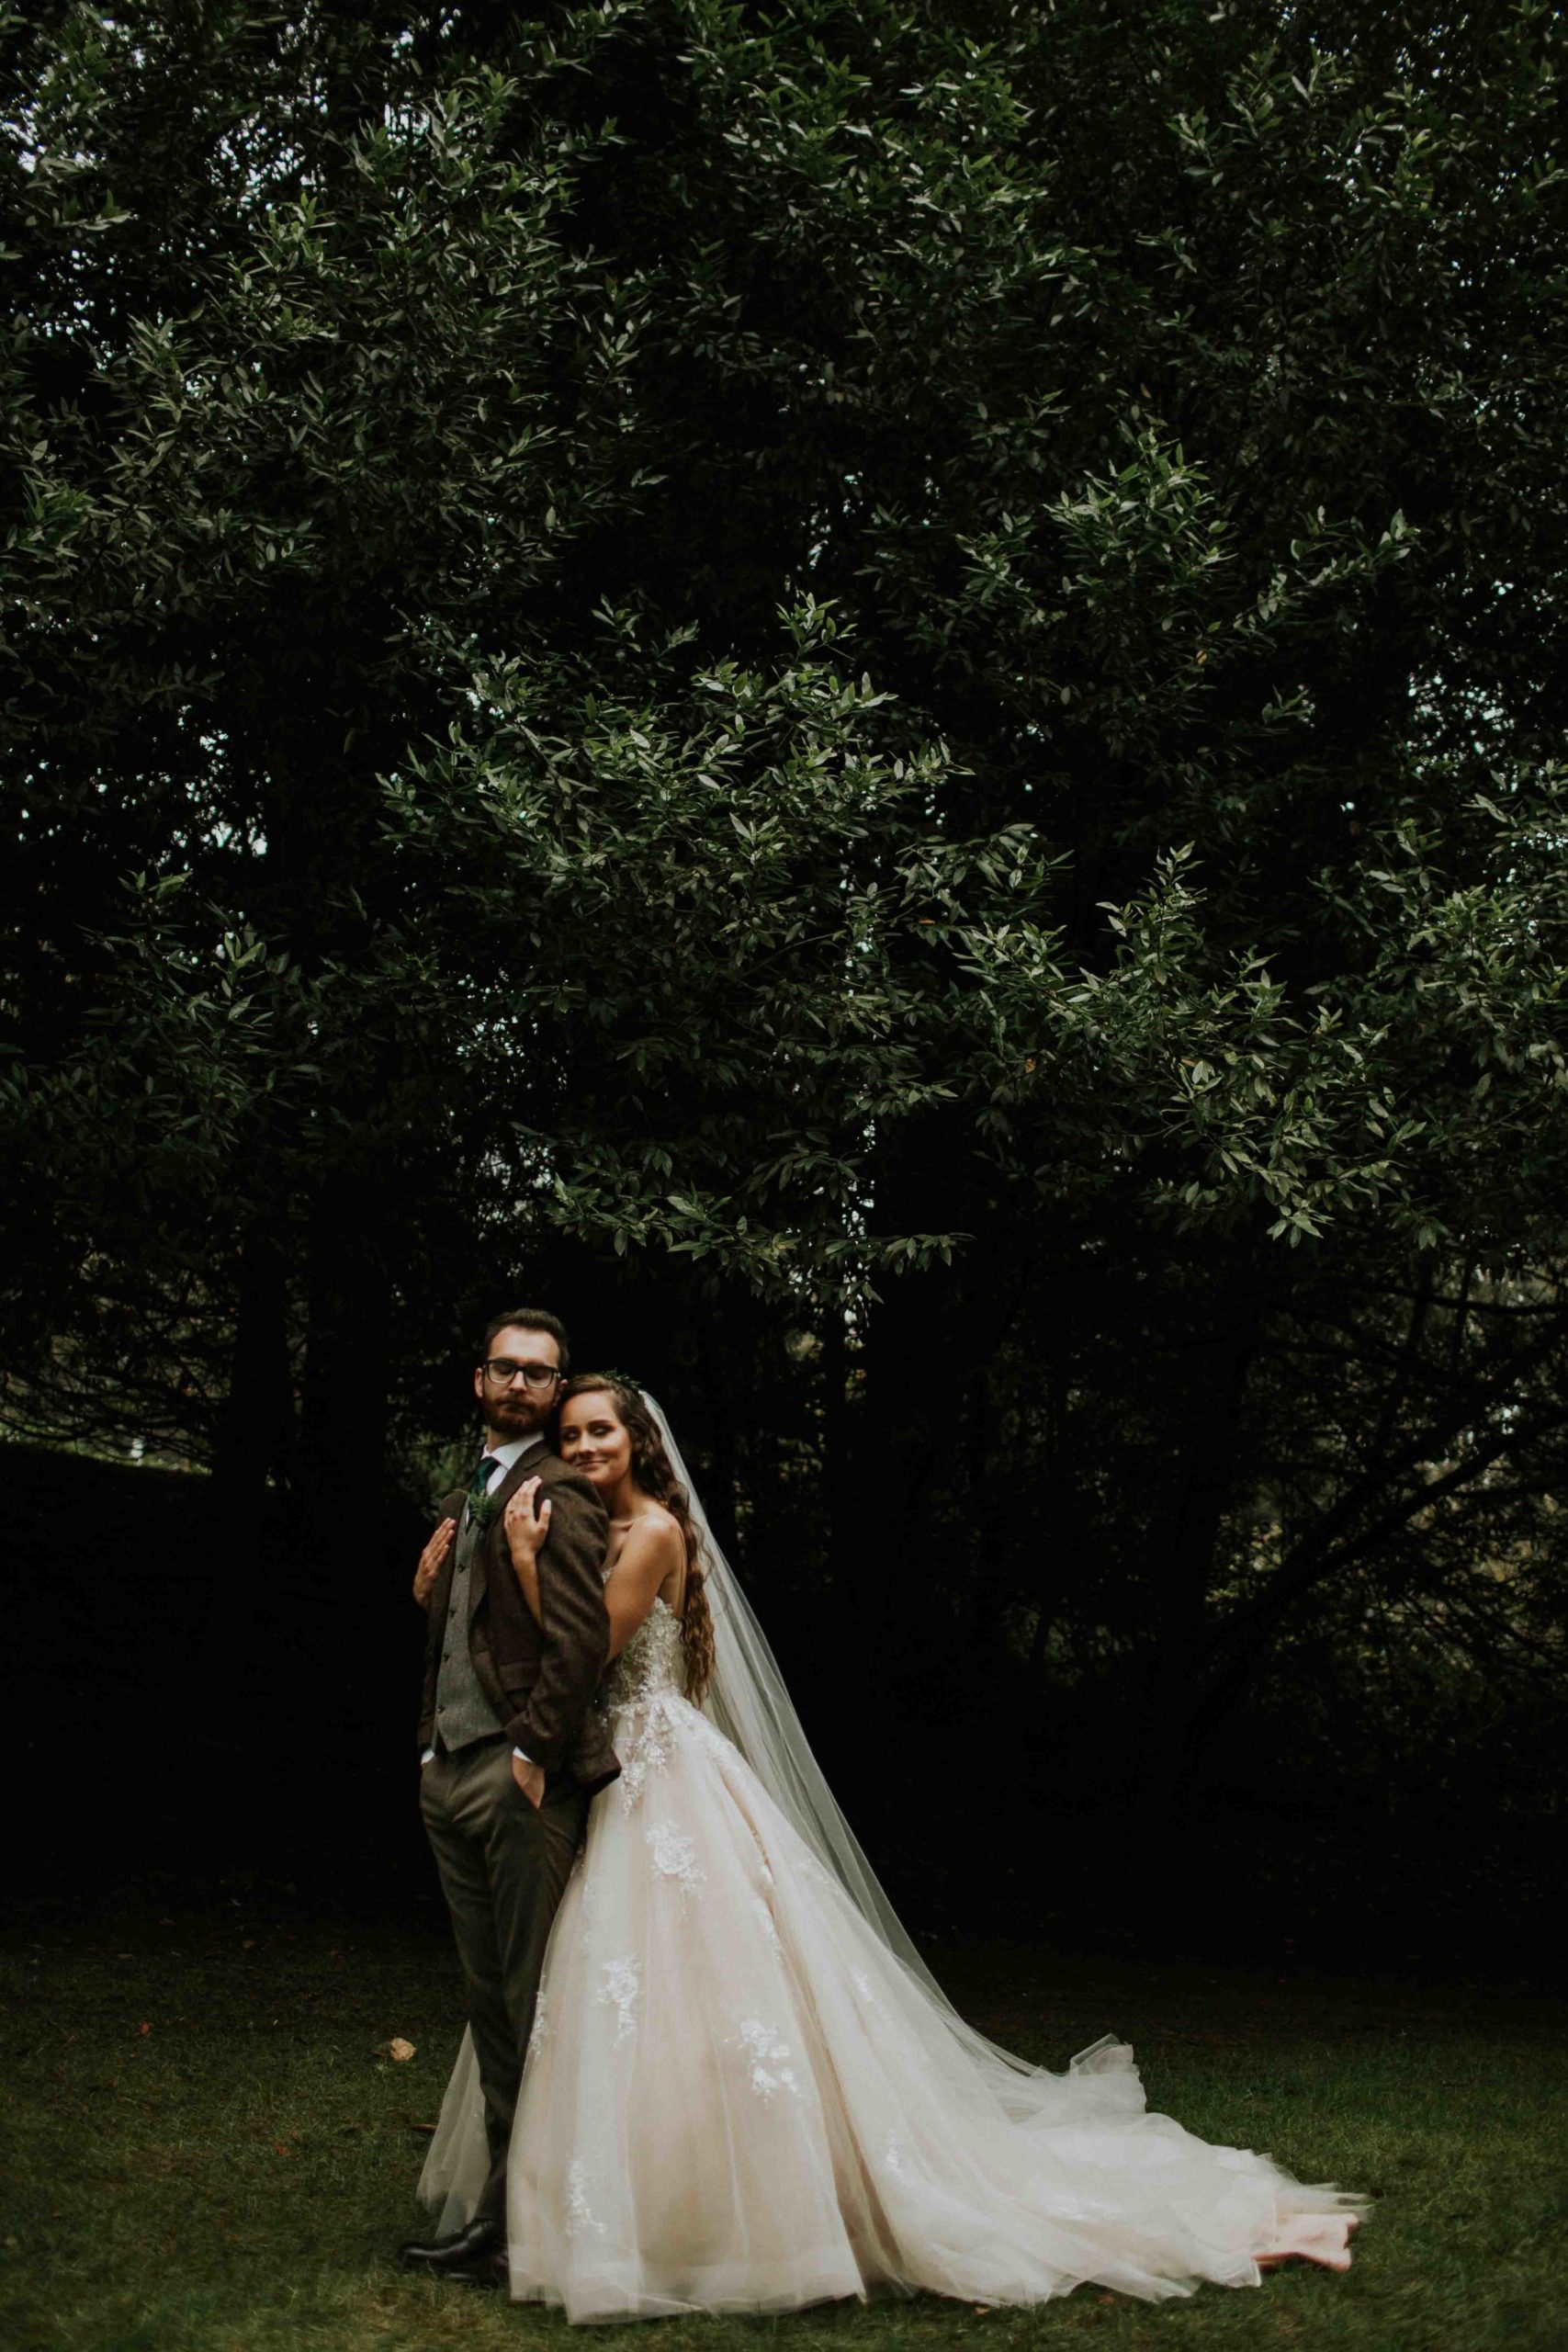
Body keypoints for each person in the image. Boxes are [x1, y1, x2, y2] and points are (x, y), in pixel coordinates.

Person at [416, 1374, 1361, 2319]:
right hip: (603, 1768)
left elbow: (589, 1652)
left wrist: (525, 1562)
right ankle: (612, 2199)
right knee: (603, 1980)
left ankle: (736, 2210)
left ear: (638, 1442)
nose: (583, 1448)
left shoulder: (655, 1528)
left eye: (600, 1431)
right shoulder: (590, 1530)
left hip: (659, 1771)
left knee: (696, 1973)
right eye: (570, 1436)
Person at [400, 1312, 618, 2282]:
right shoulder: (471, 1494)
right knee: (489, 2000)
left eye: (540, 1373)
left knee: (530, 2004)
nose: (521, 1383)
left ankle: (518, 2224)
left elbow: (579, 1642)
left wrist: (530, 1752)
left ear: (556, 1387)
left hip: (514, 1777)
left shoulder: (561, 1493)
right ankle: (504, 2209)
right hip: (446, 1769)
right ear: (478, 1378)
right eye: (506, 1367)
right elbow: (467, 1631)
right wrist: (430, 1743)